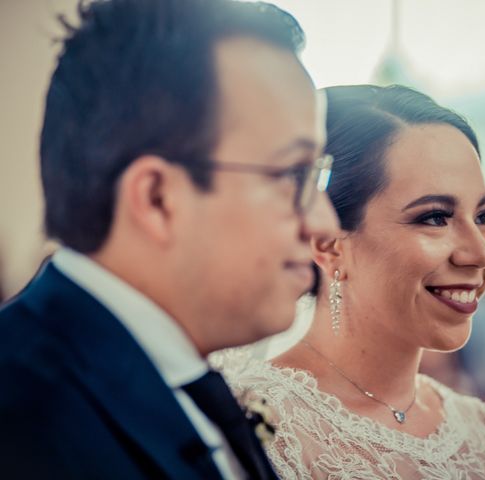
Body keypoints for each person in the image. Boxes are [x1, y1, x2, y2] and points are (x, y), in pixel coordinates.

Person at [0, 0, 338, 478]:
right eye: (292, 175)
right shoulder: (19, 422)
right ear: (158, 198)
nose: (323, 223)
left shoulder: (190, 384)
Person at [220, 84, 485, 478]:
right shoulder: (260, 425)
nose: (481, 254)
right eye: (435, 217)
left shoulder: (483, 433)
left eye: (483, 217)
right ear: (329, 243)